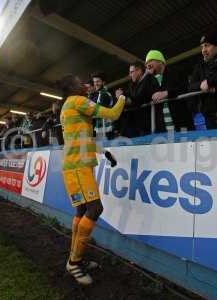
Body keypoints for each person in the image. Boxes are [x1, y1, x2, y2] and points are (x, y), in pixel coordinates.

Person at [57, 74, 125, 285]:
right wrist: (122, 97)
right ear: (72, 88)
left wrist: (103, 152)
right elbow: (113, 114)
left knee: (81, 211)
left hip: (72, 165)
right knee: (95, 210)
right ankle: (74, 262)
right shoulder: (79, 101)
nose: (85, 85)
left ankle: (75, 258)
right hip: (79, 167)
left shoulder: (66, 107)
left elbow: (81, 139)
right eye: (80, 83)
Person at [145, 50, 192, 132]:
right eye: (146, 63)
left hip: (181, 122)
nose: (147, 65)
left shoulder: (176, 72)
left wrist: (167, 93)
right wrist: (146, 76)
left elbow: (185, 88)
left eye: (150, 61)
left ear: (160, 61)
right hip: (163, 127)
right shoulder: (150, 80)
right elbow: (141, 95)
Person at [115, 61, 160, 137]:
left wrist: (123, 98)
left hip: (149, 126)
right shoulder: (133, 84)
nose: (130, 75)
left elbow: (139, 99)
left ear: (139, 71)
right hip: (137, 127)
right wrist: (121, 93)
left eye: (132, 72)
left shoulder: (150, 79)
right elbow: (129, 96)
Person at [89, 71, 114, 139]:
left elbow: (99, 110)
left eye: (98, 81)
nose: (96, 84)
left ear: (103, 82)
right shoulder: (99, 94)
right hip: (100, 126)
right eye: (94, 82)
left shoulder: (104, 94)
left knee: (107, 148)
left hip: (106, 127)